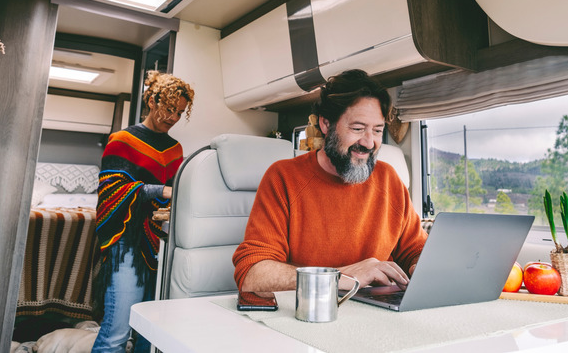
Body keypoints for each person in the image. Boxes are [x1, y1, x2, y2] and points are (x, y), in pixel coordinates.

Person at [232, 69, 428, 292]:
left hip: (378, 311)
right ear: (326, 124)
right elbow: (253, 275)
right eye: (357, 128)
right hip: (311, 314)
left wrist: (422, 265)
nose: (369, 142)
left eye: (377, 131)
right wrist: (341, 277)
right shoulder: (283, 178)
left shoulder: (389, 179)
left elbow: (417, 250)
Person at [92, 71, 194, 353]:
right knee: (117, 332)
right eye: (169, 109)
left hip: (159, 244)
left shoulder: (175, 149)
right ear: (151, 100)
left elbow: (176, 192)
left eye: (180, 112)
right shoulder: (122, 140)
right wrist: (158, 191)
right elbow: (110, 192)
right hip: (126, 243)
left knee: (151, 334)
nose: (173, 117)